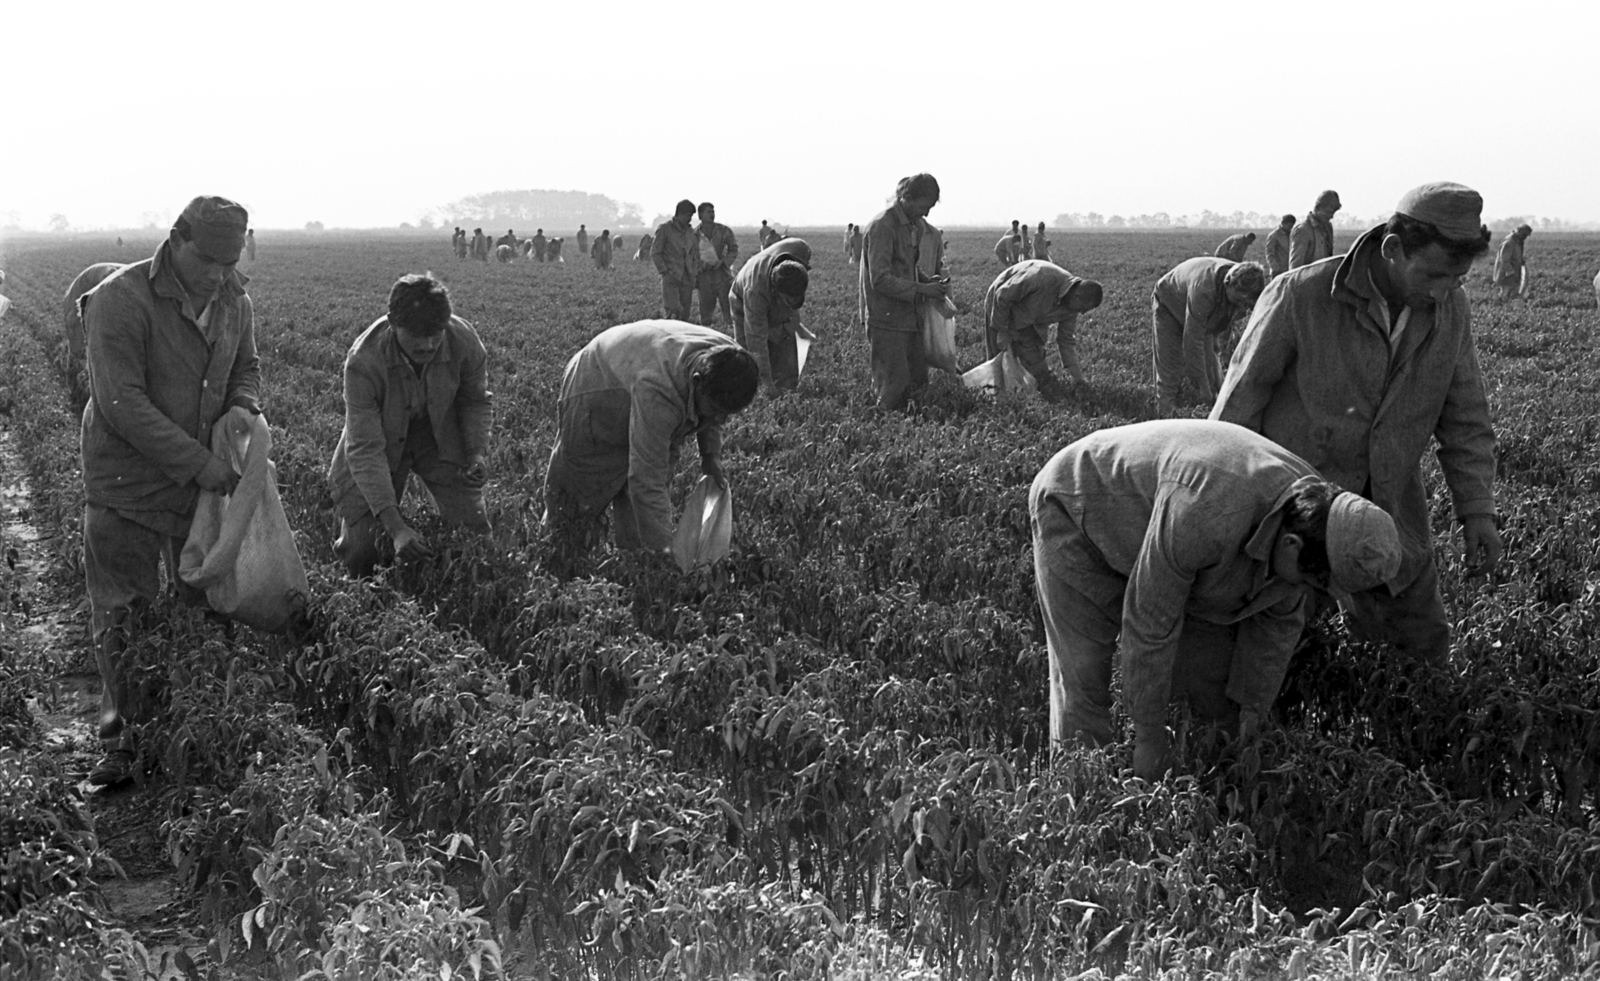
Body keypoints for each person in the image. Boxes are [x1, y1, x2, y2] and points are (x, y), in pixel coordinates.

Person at [1213, 181, 1502, 665]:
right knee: (1273, 655)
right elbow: (1235, 413)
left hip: (1392, 509)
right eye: (1432, 274)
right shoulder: (1300, 296)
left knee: (1421, 650)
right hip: (1295, 514)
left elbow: (1466, 417)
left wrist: (1478, 511)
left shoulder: (1451, 308)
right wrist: (1225, 521)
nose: (1442, 291)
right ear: (1392, 249)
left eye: (1456, 280)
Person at [1031, 419, 1401, 779]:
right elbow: (1149, 624)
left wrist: (1251, 718)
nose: (1310, 595)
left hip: (1161, 527)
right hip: (1078, 507)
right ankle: (1082, 799)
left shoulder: (1317, 515)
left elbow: (1279, 626)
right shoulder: (1208, 515)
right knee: (1084, 677)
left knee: (1207, 691)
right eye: (1313, 583)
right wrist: (1148, 739)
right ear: (1291, 545)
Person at [79, 195, 261, 787]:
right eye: (207, 262)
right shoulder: (120, 299)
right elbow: (121, 402)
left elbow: (247, 369)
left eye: (227, 264)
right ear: (176, 241)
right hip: (126, 483)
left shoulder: (235, 302)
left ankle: (196, 728)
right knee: (122, 613)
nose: (217, 276)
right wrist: (199, 463)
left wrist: (241, 406)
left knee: (203, 603)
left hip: (195, 486)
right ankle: (121, 742)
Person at [542, 320, 759, 563]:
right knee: (575, 503)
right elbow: (647, 480)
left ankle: (638, 568)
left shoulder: (732, 362)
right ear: (696, 382)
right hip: (595, 387)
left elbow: (717, 406)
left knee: (641, 515)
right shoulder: (659, 391)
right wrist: (666, 556)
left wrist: (711, 455)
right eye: (716, 410)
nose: (719, 419)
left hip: (636, 370)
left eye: (727, 413)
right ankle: (554, 564)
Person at [327, 273, 493, 578]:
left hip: (439, 435)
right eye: (417, 335)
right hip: (382, 439)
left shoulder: (464, 340)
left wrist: (475, 453)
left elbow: (475, 401)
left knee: (475, 536)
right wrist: (397, 528)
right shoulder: (364, 361)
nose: (428, 345)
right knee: (364, 551)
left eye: (436, 334)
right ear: (392, 322)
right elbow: (365, 448)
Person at [859, 173, 949, 411]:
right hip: (887, 321)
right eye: (923, 207)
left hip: (910, 319)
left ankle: (910, 431)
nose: (926, 214)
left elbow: (907, 269)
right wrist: (922, 289)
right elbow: (880, 279)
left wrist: (931, 283)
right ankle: (882, 434)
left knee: (918, 384)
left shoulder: (913, 227)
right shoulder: (883, 227)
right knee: (893, 388)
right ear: (907, 198)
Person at [1151, 258, 1266, 416]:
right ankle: (1164, 417)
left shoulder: (1244, 282)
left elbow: (1215, 344)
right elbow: (1192, 343)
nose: (1241, 307)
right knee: (1170, 368)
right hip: (1169, 304)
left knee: (1212, 368)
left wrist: (1220, 386)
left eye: (1246, 304)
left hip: (1202, 314)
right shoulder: (1205, 289)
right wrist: (1203, 387)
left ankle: (1217, 414)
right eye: (1239, 301)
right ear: (1228, 284)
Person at [982, 260, 1104, 402]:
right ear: (1077, 296)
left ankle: (1034, 395)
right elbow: (1002, 295)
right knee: (1000, 361)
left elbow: (1066, 341)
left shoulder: (1072, 308)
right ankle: (999, 400)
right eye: (1084, 308)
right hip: (1001, 306)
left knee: (1039, 372)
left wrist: (1079, 379)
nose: (1082, 313)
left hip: (1030, 320)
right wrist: (1001, 331)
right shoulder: (1041, 277)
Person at [731, 237, 812, 392]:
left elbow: (791, 315)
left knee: (784, 335)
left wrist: (791, 324)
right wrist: (766, 380)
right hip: (740, 298)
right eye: (788, 301)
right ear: (776, 292)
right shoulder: (755, 293)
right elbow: (756, 340)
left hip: (773, 287)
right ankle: (752, 388)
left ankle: (787, 385)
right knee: (747, 351)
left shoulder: (799, 250)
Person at [63, 262, 125, 412]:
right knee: (81, 355)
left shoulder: (132, 279)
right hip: (77, 307)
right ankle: (78, 396)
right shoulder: (112, 277)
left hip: (84, 300)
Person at [651, 200, 701, 319]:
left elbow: (695, 253)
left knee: (685, 314)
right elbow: (655, 252)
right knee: (673, 311)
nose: (690, 219)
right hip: (671, 277)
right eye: (688, 216)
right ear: (681, 214)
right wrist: (664, 272)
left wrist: (694, 271)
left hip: (687, 277)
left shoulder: (690, 232)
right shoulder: (665, 229)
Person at [694, 202, 739, 326]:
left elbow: (733, 249)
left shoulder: (724, 231)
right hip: (704, 277)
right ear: (700, 215)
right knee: (705, 312)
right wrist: (701, 266)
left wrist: (724, 263)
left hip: (723, 275)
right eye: (708, 212)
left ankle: (731, 334)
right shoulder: (694, 235)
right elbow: (691, 256)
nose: (712, 215)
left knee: (729, 310)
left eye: (713, 212)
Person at [1289, 190, 1341, 269]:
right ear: (1319, 208)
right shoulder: (1302, 231)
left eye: (1333, 213)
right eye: (1329, 212)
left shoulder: (1328, 227)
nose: (1331, 217)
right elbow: (1294, 269)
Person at [1493, 223, 1532, 301]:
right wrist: (1510, 271)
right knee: (1505, 294)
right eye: (1524, 235)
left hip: (1513, 273)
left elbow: (1514, 255)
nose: (1525, 237)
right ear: (1519, 231)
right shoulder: (1509, 242)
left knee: (1512, 294)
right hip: (1506, 275)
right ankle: (1501, 307)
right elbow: (1504, 259)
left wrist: (1521, 260)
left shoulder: (1518, 241)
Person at [1264, 215, 1295, 279]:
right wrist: (1275, 267)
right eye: (1289, 226)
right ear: (1283, 224)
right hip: (1278, 271)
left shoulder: (1293, 234)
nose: (1291, 228)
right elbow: (1269, 253)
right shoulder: (1274, 236)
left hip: (1290, 269)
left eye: (1292, 226)